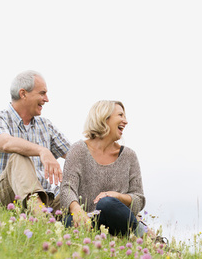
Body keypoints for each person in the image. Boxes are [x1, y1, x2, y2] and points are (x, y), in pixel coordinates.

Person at [57, 100, 155, 238]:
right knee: (66, 224)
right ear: (104, 118)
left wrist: (117, 196)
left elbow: (139, 200)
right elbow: (67, 189)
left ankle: (147, 239)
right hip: (86, 220)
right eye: (120, 115)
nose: (125, 121)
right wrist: (76, 209)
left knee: (107, 203)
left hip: (117, 219)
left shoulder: (129, 156)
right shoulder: (78, 150)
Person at [0, 70, 71, 212]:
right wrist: (42, 151)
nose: (47, 99)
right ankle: (42, 220)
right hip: (6, 198)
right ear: (23, 94)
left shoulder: (45, 125)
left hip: (47, 198)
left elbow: (73, 154)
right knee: (18, 157)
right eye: (42, 93)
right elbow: (5, 143)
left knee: (79, 188)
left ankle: (98, 227)